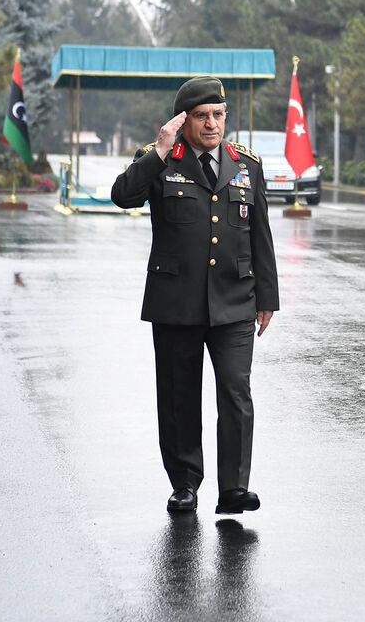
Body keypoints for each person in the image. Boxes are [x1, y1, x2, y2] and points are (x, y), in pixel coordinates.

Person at [110, 75, 279, 514]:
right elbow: (123, 197)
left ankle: (234, 488)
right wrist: (159, 151)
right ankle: (185, 483)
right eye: (201, 116)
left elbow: (260, 234)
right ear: (182, 121)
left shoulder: (246, 164)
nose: (211, 124)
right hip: (176, 301)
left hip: (235, 300)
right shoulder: (160, 158)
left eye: (218, 115)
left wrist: (267, 297)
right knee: (179, 396)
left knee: (237, 392)